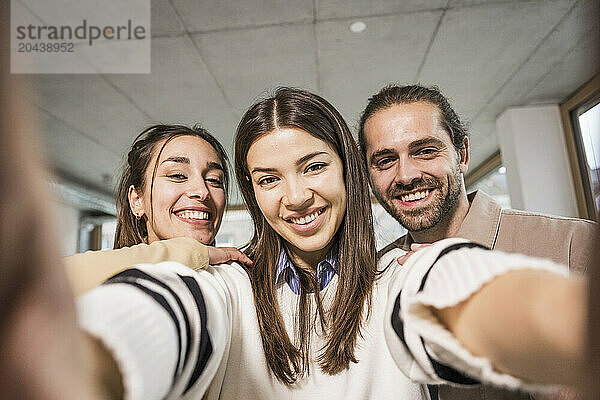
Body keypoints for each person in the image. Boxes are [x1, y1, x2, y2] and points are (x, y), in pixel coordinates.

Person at [72, 88, 588, 400]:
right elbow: (175, 310)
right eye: (267, 179)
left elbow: (440, 292)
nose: (296, 197)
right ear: (252, 194)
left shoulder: (395, 277)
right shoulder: (226, 287)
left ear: (349, 170)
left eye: (314, 166)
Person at [358, 84, 597, 399]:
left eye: (425, 151)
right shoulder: (376, 277)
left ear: (462, 155)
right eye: (385, 160)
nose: (405, 175)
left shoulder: (576, 246)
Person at [64, 124, 252, 295]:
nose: (202, 191)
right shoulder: (108, 292)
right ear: (137, 200)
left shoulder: (237, 281)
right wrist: (190, 253)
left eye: (214, 180)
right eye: (177, 175)